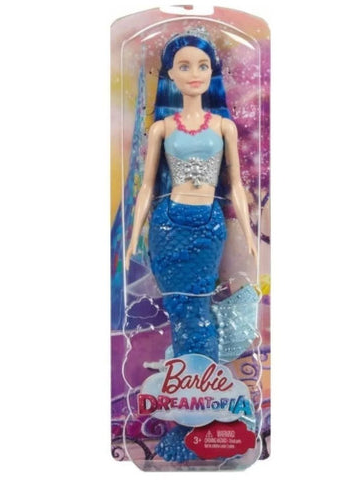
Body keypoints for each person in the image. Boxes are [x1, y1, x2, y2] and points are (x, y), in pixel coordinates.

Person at [124, 27, 256, 462]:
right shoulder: (162, 128)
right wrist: (133, 236)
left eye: (202, 65)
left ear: (212, 72)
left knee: (199, 318)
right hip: (169, 225)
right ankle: (191, 416)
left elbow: (235, 185)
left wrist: (248, 234)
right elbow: (147, 187)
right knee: (182, 315)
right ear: (170, 74)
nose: (194, 73)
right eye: (184, 66)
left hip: (207, 227)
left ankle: (199, 417)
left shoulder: (223, 126)